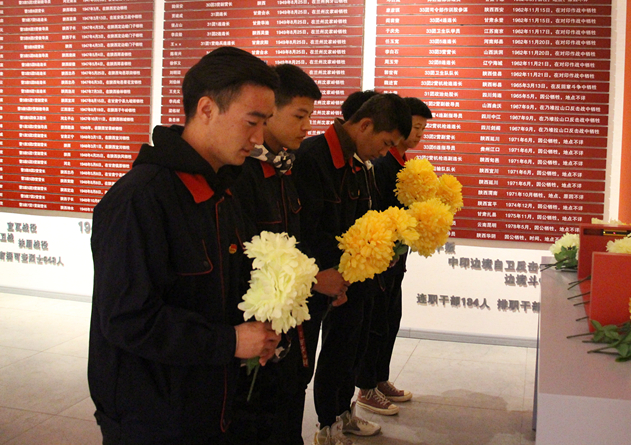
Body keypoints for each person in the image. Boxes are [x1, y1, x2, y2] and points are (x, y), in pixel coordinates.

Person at [88, 46, 282, 445]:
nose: (258, 138)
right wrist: (231, 341)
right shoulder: (140, 199)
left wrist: (260, 332)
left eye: (265, 123)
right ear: (206, 109)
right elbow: (127, 318)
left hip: (211, 405)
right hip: (154, 419)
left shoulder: (223, 191)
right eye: (251, 122)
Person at [293, 93, 411, 445]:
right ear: (365, 125)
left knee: (347, 349)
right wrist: (325, 275)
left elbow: (361, 222)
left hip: (349, 279)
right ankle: (325, 425)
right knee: (300, 369)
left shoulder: (359, 164)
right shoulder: (312, 157)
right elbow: (304, 230)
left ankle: (340, 415)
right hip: (317, 280)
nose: (384, 152)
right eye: (385, 142)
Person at [227, 63, 331, 445]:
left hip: (285, 327)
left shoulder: (285, 168)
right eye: (299, 116)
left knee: (287, 412)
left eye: (310, 117)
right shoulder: (241, 175)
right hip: (254, 332)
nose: (307, 127)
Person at [355, 97, 432, 416]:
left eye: (423, 129)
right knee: (374, 323)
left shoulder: (404, 164)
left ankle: (379, 378)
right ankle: (366, 387)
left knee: (390, 319)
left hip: (396, 256)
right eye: (415, 127)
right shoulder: (383, 163)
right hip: (379, 256)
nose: (419, 134)